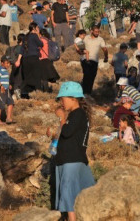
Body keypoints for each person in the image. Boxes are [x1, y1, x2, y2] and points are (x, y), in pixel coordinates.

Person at [48, 82, 95, 221]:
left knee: (69, 191)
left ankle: (72, 219)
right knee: (82, 190)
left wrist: (62, 118)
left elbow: (67, 132)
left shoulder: (77, 114)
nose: (61, 102)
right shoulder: (77, 115)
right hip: (72, 158)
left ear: (73, 98)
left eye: (62, 99)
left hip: (71, 159)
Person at [81, 26, 108, 95]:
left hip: (94, 60)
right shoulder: (86, 38)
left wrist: (106, 57)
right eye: (96, 31)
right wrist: (80, 51)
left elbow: (104, 48)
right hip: (85, 59)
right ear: (91, 31)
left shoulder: (100, 39)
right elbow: (79, 44)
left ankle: (88, 92)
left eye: (98, 32)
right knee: (87, 74)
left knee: (92, 76)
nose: (97, 33)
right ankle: (84, 92)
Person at [21, 22, 44, 97]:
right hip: (34, 58)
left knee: (27, 76)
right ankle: (38, 93)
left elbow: (22, 49)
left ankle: (24, 93)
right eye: (37, 28)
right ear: (34, 28)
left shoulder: (25, 37)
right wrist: (38, 35)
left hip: (25, 59)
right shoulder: (34, 35)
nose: (38, 29)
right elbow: (41, 44)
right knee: (37, 75)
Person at [0, 56, 14, 124]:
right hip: (1, 90)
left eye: (9, 63)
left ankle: (8, 118)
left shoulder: (6, 71)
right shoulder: (0, 70)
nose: (8, 65)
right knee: (1, 104)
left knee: (10, 103)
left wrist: (9, 85)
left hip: (7, 90)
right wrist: (1, 86)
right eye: (7, 63)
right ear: (2, 63)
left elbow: (5, 80)